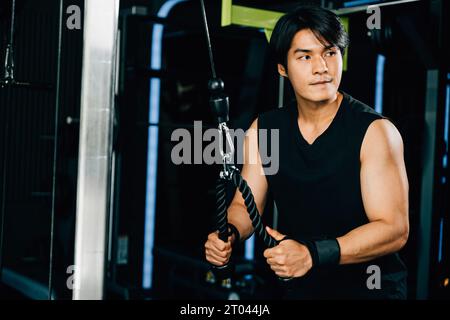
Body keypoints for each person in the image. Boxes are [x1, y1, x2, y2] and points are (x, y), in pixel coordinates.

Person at [204, 5, 409, 299]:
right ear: (282, 68)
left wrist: (313, 254)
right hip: (303, 287)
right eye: (305, 56)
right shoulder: (265, 129)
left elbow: (394, 229)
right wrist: (229, 234)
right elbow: (245, 205)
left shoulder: (375, 132)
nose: (321, 67)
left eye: (330, 53)